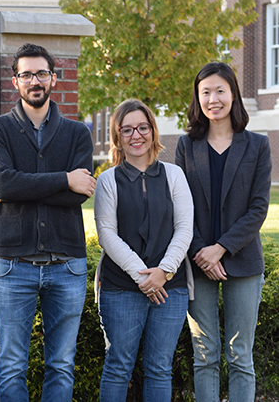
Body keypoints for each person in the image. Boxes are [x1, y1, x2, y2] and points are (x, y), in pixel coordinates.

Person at [0, 43, 96, 402]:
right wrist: (64, 179)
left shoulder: (78, 133)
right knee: (12, 364)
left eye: (42, 73)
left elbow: (81, 194)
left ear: (54, 79)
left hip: (68, 266)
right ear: (15, 81)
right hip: (13, 265)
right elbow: (3, 183)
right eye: (27, 74)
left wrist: (19, 186)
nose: (35, 81)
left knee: (61, 364)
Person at [175, 62, 272, 402]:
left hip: (244, 262)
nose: (213, 99)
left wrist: (222, 249)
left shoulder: (257, 145)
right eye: (205, 93)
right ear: (197, 99)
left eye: (220, 91)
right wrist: (204, 252)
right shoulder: (187, 146)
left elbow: (258, 208)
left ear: (233, 94)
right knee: (205, 354)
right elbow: (182, 208)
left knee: (240, 355)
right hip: (198, 262)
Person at [94, 99, 194, 402]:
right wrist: (143, 277)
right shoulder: (108, 180)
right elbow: (107, 235)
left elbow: (185, 229)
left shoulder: (175, 175)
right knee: (117, 366)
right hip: (121, 288)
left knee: (160, 368)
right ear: (117, 137)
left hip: (170, 288)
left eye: (142, 127)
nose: (135, 135)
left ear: (152, 131)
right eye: (127, 130)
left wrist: (163, 272)